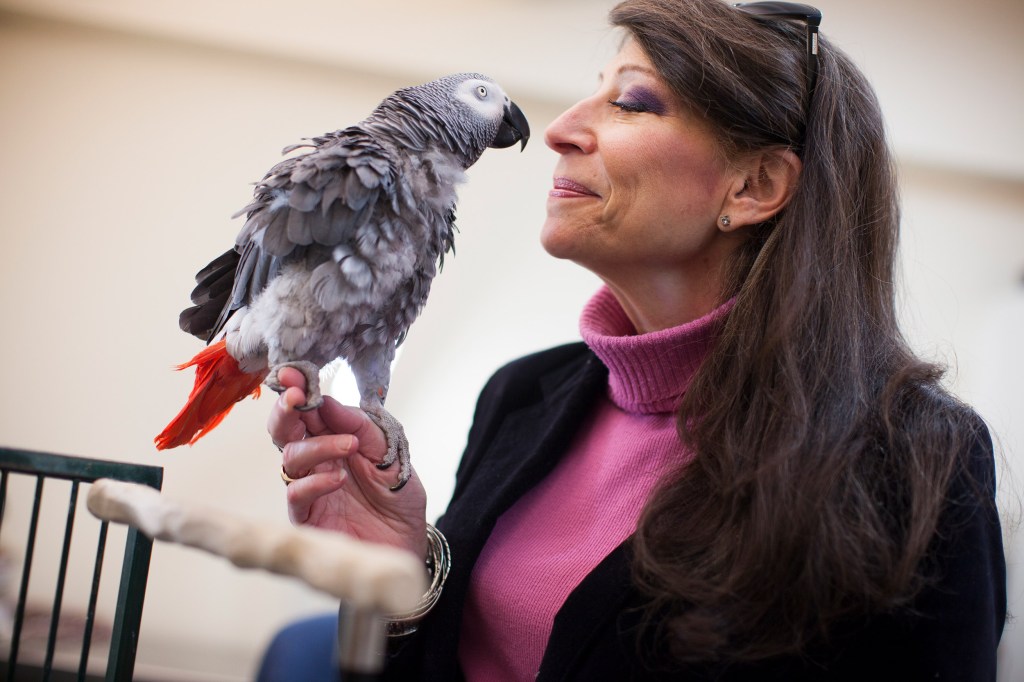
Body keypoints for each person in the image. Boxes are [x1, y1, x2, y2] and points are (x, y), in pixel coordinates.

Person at [261, 0, 1007, 679]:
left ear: (752, 188)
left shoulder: (917, 461)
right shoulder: (520, 396)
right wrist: (403, 576)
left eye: (630, 102)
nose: (558, 129)